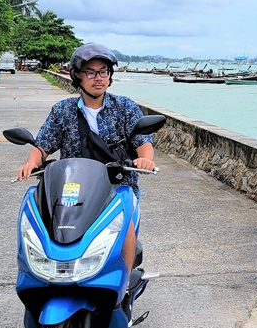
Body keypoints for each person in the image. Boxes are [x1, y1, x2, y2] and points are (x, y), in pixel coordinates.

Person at [16, 43, 155, 277]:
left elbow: (144, 144)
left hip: (117, 185)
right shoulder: (63, 111)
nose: (98, 78)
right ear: (77, 76)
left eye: (103, 72)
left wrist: (145, 161)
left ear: (110, 76)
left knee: (125, 228)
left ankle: (123, 285)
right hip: (71, 186)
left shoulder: (125, 108)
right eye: (90, 72)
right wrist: (32, 162)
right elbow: (42, 145)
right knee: (46, 226)